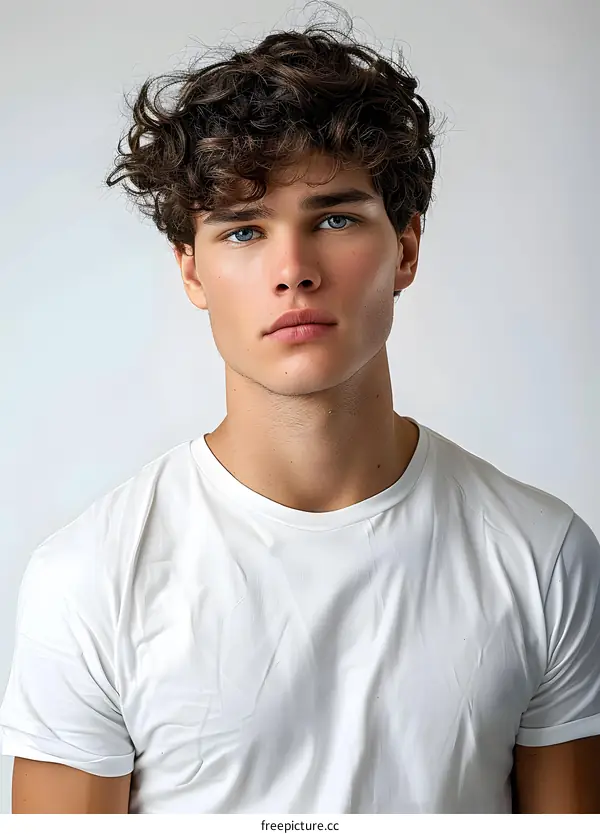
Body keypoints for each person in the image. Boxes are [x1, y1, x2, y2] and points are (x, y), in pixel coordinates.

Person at [1, 8, 599, 815]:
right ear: (192, 272)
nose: (293, 269)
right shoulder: (89, 579)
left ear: (407, 249)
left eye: (336, 218)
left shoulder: (542, 554)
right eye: (244, 230)